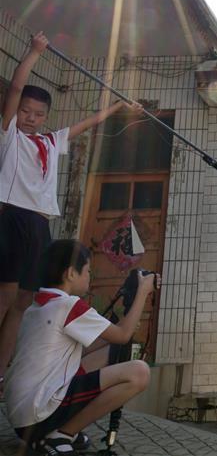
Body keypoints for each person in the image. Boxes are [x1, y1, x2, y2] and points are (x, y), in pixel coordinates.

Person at [0, 32, 140, 392]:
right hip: (12, 216)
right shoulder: (10, 137)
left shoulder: (50, 142)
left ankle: (1, 373)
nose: (30, 118)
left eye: (37, 114)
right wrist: (34, 52)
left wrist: (116, 109)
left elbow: (87, 125)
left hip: (39, 225)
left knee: (24, 300)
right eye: (25, 112)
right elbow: (15, 87)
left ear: (46, 116)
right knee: (5, 293)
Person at [3, 239, 157, 455]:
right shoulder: (69, 305)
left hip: (22, 418)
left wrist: (123, 322)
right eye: (87, 271)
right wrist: (143, 291)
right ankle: (61, 435)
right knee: (139, 372)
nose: (89, 277)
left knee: (110, 353)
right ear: (70, 274)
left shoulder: (38, 305)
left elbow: (92, 347)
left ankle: (51, 433)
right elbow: (123, 335)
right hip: (38, 413)